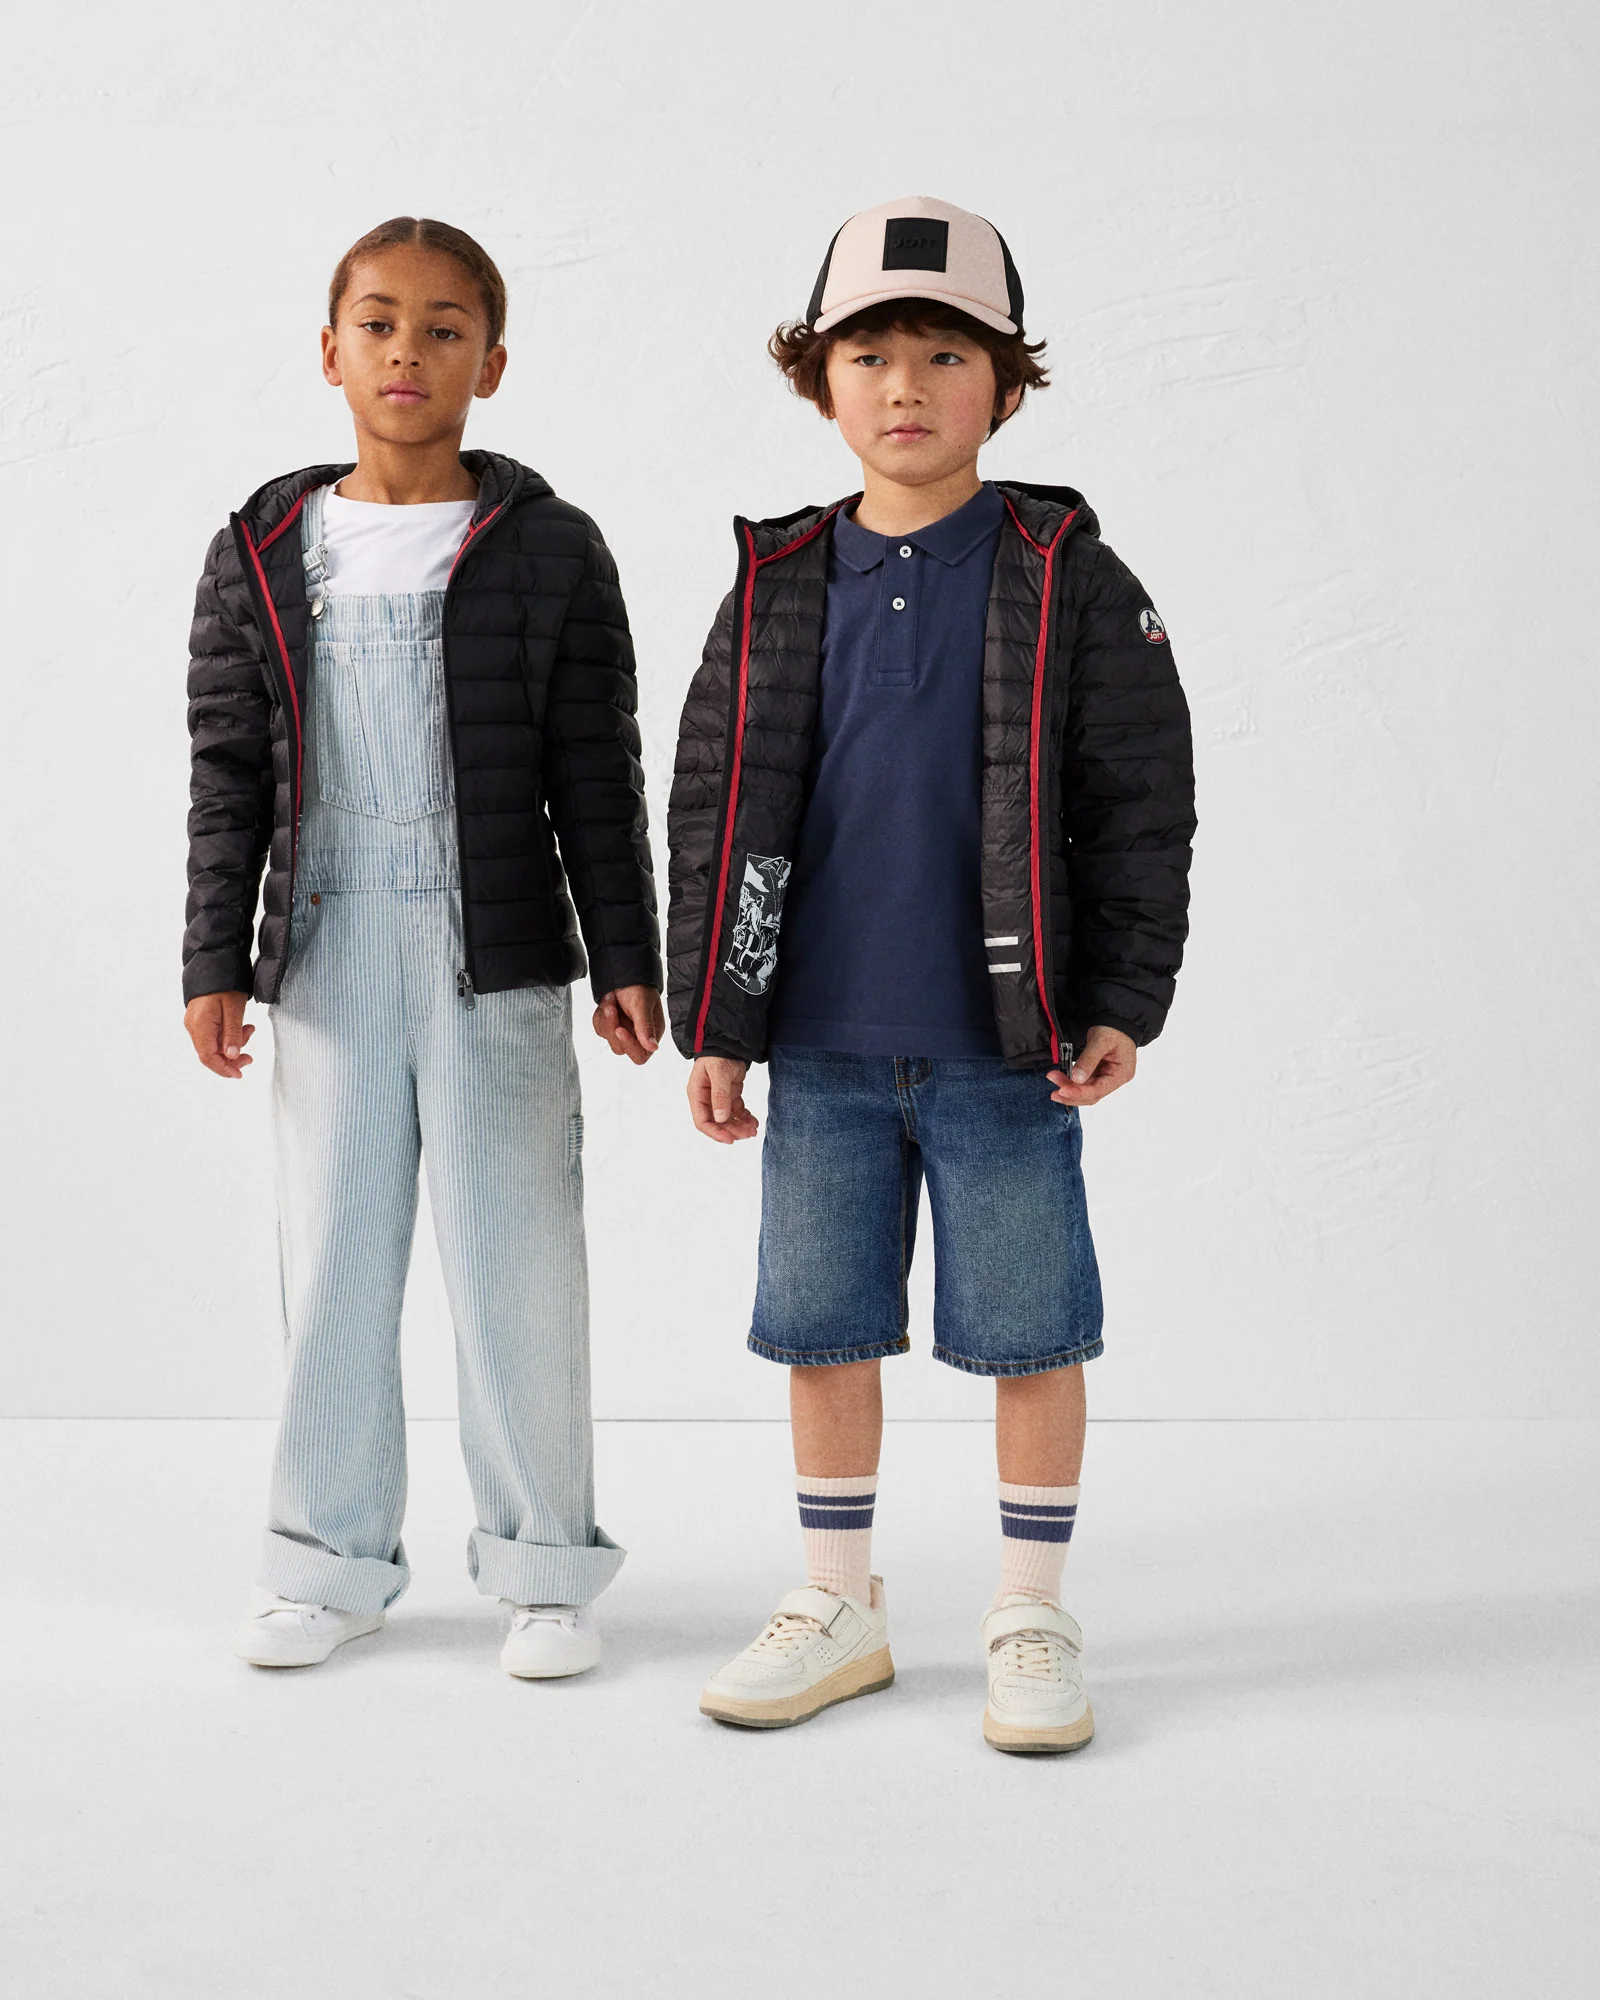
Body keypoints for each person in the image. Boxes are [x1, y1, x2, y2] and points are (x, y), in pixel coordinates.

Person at [666, 196, 1196, 1751]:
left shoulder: (1065, 574)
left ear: (1006, 389)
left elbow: (1141, 803)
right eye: (871, 355)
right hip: (820, 1046)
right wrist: (719, 1017)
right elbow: (713, 807)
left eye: (947, 356)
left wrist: (1124, 999)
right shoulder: (778, 580)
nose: (906, 385)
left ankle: (1031, 1611)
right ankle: (839, 1602)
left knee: (1031, 1331)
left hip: (1006, 1050)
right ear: (820, 383)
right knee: (822, 1326)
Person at [183, 217, 661, 1677]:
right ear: (329, 351)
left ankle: (545, 1571)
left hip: (493, 943)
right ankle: (325, 1564)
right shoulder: (263, 549)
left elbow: (596, 769)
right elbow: (227, 771)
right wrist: (214, 957)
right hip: (324, 945)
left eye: (445, 329)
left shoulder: (551, 549)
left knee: (519, 1259)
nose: (408, 352)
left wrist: (627, 952)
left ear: (491, 364)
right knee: (333, 1259)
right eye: (379, 323)